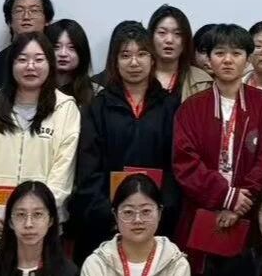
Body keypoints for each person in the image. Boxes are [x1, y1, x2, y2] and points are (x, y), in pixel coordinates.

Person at [173, 24, 262, 260]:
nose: (227, 60)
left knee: (247, 274)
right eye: (219, 53)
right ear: (208, 59)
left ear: (248, 60)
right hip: (202, 212)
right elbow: (185, 163)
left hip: (250, 213)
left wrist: (240, 202)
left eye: (236, 53)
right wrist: (225, 196)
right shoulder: (191, 108)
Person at [0, 31, 82, 247]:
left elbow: (64, 170)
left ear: (50, 64)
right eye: (22, 59)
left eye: (39, 59)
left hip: (45, 226)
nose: (30, 66)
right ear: (11, 65)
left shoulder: (65, 109)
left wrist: (38, 215)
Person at [74, 21, 182, 259]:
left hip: (159, 224)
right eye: (125, 55)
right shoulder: (97, 107)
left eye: (142, 54)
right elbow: (87, 169)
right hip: (106, 224)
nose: (134, 63)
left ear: (153, 59)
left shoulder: (171, 106)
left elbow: (177, 166)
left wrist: (158, 213)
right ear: (114, 61)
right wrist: (112, 214)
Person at [0, 0, 54, 88]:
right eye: (19, 11)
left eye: (34, 10)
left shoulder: (60, 57)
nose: (26, 16)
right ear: (10, 21)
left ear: (47, 20)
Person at [150, 4, 212, 100]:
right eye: (162, 33)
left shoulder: (202, 82)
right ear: (151, 37)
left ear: (186, 40)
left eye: (177, 34)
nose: (169, 40)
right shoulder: (136, 74)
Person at [48, 18, 98, 112]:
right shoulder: (36, 90)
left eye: (71, 47)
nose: (63, 53)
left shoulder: (96, 93)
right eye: (56, 47)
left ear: (82, 52)